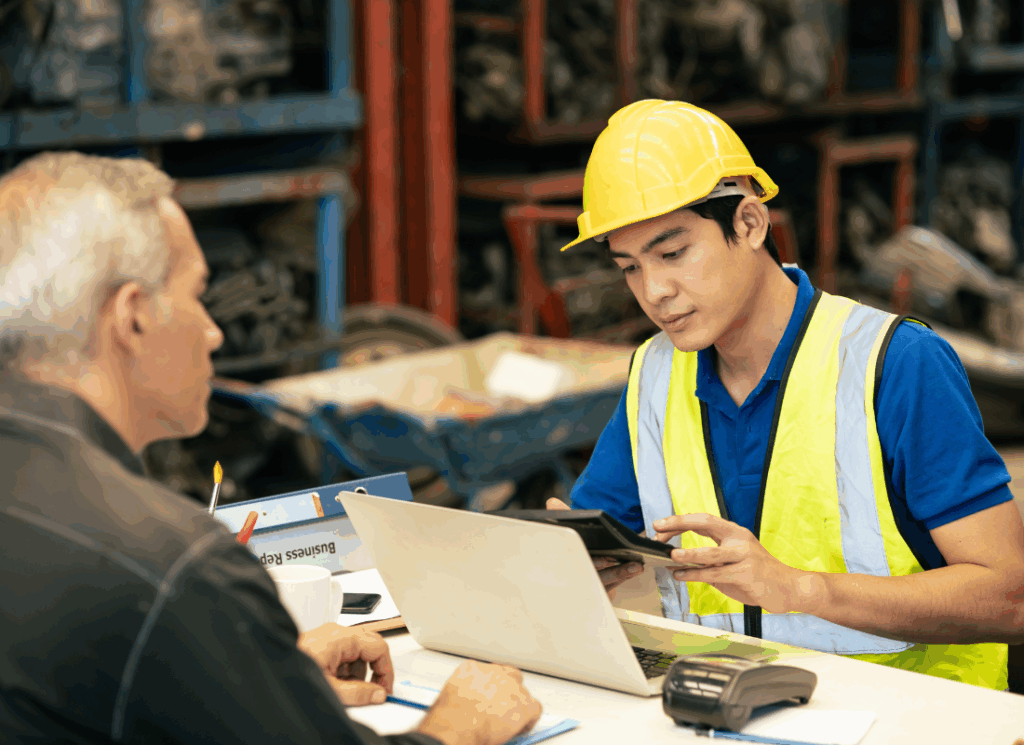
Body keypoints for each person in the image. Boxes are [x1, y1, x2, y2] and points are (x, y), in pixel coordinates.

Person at [0, 152, 542, 744]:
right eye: (197, 295)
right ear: (131, 318)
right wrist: (456, 730)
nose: (214, 330)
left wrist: (251, 672)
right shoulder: (175, 566)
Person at [548, 99, 1024, 690]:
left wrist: (801, 589)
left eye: (672, 254)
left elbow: (1009, 598)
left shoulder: (895, 364)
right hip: (728, 711)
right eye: (630, 267)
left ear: (749, 223)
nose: (654, 292)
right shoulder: (655, 373)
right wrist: (578, 559)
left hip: (912, 719)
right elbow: (600, 534)